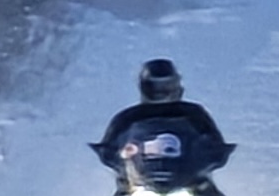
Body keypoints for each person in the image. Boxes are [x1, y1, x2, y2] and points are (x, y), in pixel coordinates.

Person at [93, 58, 230, 178]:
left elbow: (214, 141)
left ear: (175, 86)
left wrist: (213, 153)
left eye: (165, 87)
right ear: (143, 87)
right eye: (154, 86)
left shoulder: (194, 114)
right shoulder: (128, 118)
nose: (160, 92)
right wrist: (113, 155)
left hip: (186, 178)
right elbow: (111, 146)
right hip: (139, 180)